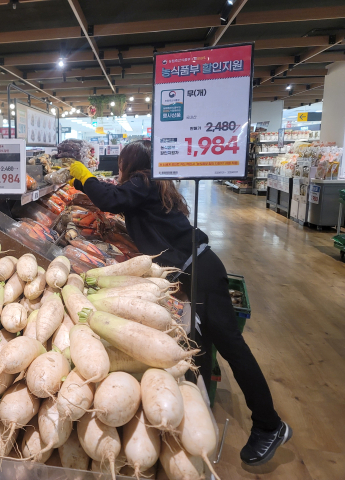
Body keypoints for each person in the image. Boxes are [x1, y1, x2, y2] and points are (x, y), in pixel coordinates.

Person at [69, 140, 291, 466]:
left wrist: (84, 176)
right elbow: (120, 203)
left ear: (131, 165)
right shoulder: (155, 183)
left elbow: (110, 198)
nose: (118, 171)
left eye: (120, 165)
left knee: (231, 346)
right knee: (193, 344)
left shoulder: (142, 182)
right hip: (191, 275)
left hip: (200, 273)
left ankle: (269, 424)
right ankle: (189, 421)